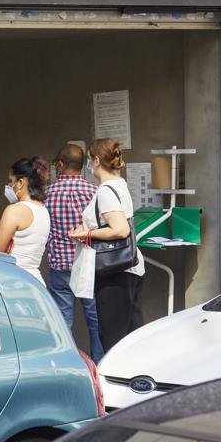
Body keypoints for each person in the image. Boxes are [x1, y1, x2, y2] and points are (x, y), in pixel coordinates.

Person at [69, 138, 145, 353]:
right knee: (130, 335)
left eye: (89, 160)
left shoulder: (105, 190)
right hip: (130, 267)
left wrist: (87, 233)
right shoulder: (120, 185)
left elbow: (120, 229)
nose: (88, 165)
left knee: (113, 338)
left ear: (95, 160)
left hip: (114, 272)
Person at [45, 143, 105, 362]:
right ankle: (101, 369)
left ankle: (69, 367)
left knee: (62, 323)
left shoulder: (46, 194)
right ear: (83, 166)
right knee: (96, 320)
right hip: (89, 265)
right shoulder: (95, 192)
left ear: (60, 165)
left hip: (60, 267)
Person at [0, 157, 52, 284]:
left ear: (21, 183)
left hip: (13, 281)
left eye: (10, 181)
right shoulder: (43, 209)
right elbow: (23, 237)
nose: (8, 186)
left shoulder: (14, 210)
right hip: (35, 282)